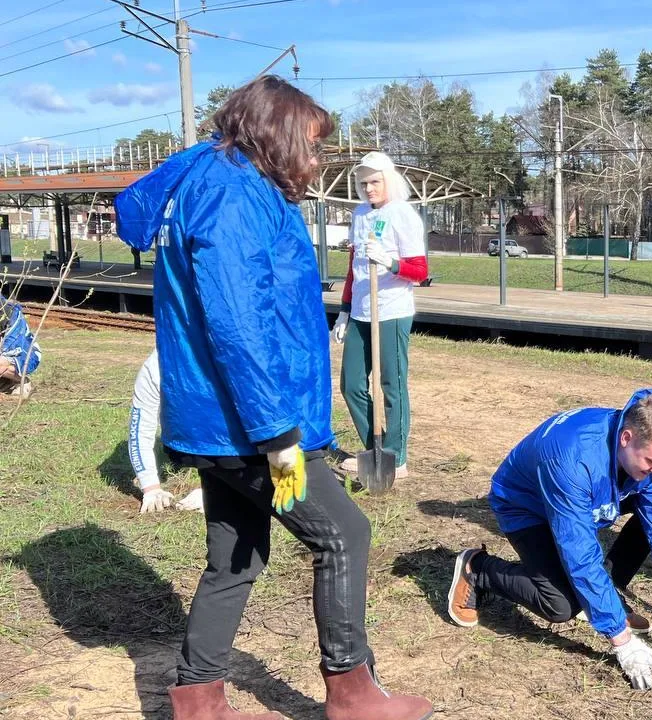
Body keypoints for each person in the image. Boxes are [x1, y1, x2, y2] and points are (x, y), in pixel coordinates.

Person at [115, 76, 433, 720]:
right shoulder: (232, 196)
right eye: (311, 146)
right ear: (276, 135)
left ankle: (197, 698)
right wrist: (277, 433)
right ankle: (351, 690)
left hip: (223, 430)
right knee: (342, 532)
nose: (316, 163)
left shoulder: (227, 183)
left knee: (238, 555)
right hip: (259, 434)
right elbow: (239, 325)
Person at [446, 389, 652, 690]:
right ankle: (479, 570)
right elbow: (579, 554)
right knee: (560, 605)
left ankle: (604, 592)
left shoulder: (651, 456)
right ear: (626, 438)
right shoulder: (571, 459)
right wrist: (622, 643)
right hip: (528, 506)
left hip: (593, 491)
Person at [331, 152, 427, 481]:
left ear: (389, 179)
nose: (368, 188)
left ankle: (396, 457)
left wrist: (391, 263)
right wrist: (344, 310)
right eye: (363, 183)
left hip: (391, 309)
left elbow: (420, 271)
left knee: (391, 384)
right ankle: (375, 449)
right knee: (352, 384)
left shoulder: (403, 215)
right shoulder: (359, 215)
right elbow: (352, 267)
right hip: (360, 309)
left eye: (375, 181)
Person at [128, 349, 204, 514]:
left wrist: (216, 491)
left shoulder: (230, 358)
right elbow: (140, 431)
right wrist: (151, 487)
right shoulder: (155, 367)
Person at [0, 294, 40, 398]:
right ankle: (5, 381)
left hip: (23, 353)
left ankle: (22, 382)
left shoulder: (10, 314)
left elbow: (15, 345)